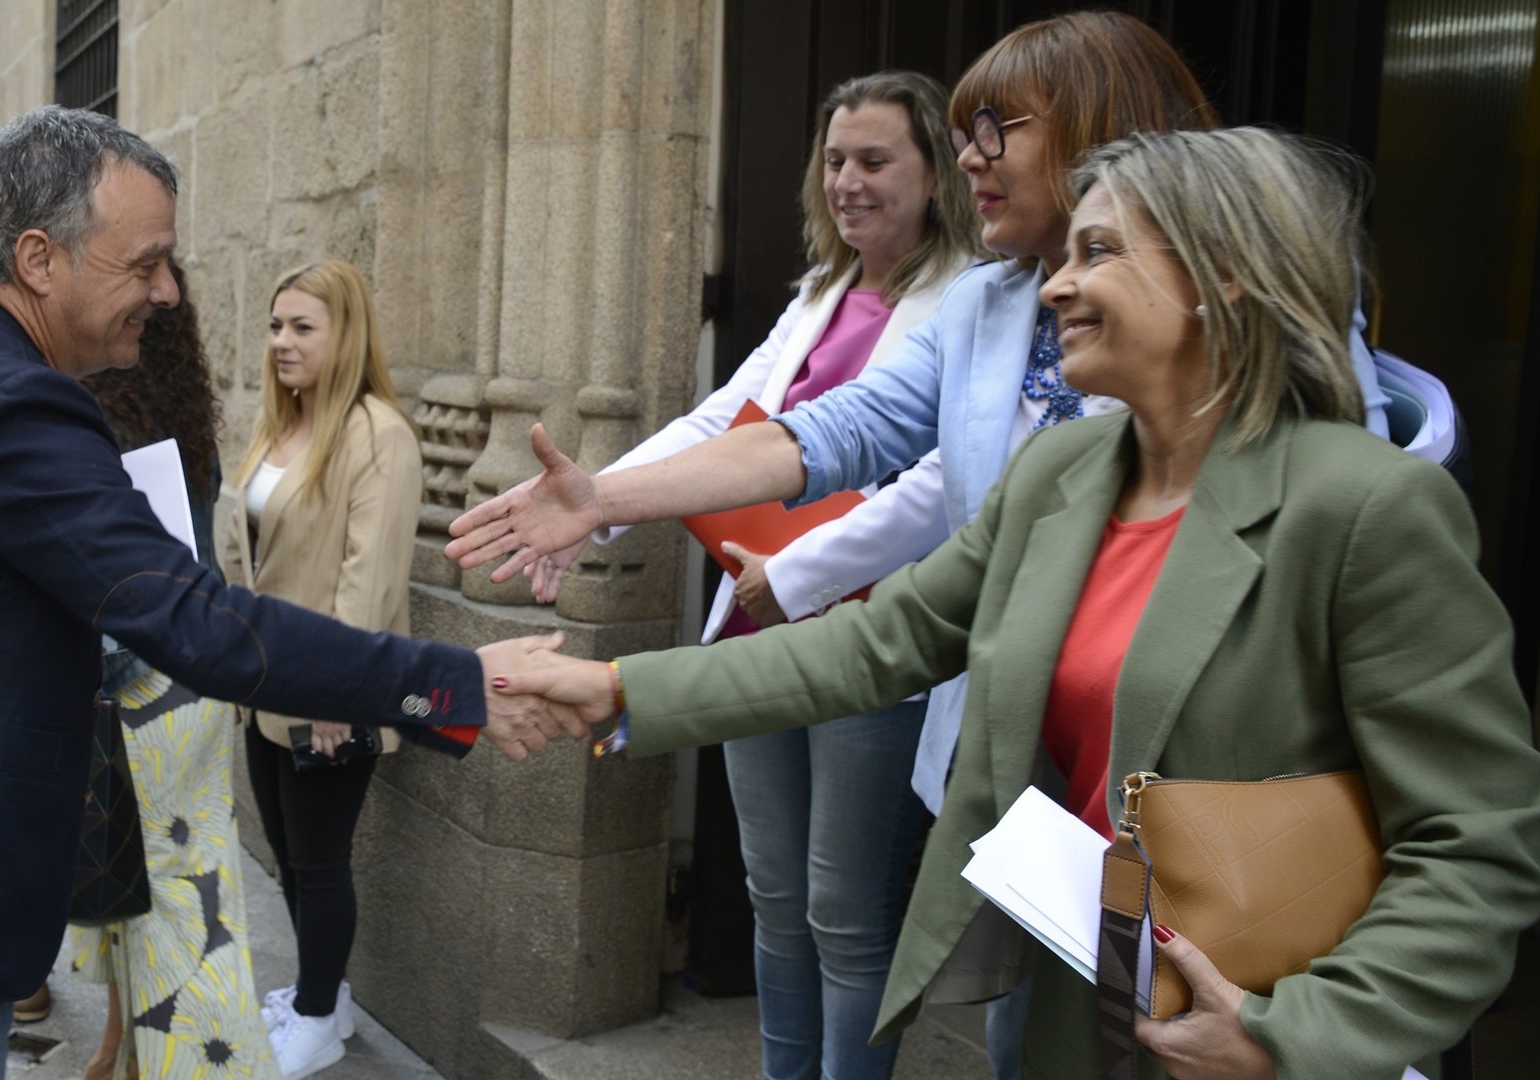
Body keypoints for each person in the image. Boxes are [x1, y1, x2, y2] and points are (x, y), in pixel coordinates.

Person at [490, 127, 1540, 1080]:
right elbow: (876, 644)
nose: (1053, 289)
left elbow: (1475, 843)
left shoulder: (1367, 508)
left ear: (1225, 270)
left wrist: (1299, 1034)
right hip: (1084, 986)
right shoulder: (1064, 473)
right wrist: (616, 687)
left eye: (1097, 253)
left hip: (1265, 1023)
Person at [0, 105, 582, 1080]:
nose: (168, 293)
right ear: (39, 259)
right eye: (145, 264)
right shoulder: (8, 408)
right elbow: (193, 621)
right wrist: (453, 681)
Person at [450, 13, 1242, 1073]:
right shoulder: (1000, 341)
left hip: (1194, 812)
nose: (970, 160)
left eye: (994, 127)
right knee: (1049, 1016)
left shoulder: (1337, 481)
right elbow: (838, 461)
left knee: (1151, 1010)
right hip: (1035, 763)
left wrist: (1318, 1034)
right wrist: (606, 515)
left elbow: (1459, 846)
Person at [535, 70, 978, 1080]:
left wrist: (803, 569)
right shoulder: (819, 294)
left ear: (935, 172)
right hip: (757, 624)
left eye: (875, 160)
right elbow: (718, 423)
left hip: (874, 638)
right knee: (773, 897)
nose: (848, 182)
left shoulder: (970, 299)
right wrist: (592, 502)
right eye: (834, 161)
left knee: (845, 910)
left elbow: (937, 482)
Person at [58, 261, 272, 1080]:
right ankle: (126, 1048)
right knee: (150, 882)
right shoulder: (187, 422)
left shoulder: (96, 420)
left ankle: (173, 1059)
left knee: (168, 894)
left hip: (141, 686)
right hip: (184, 683)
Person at [220, 260, 423, 1080]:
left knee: (319, 858)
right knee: (283, 847)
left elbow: (367, 578)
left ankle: (314, 1021)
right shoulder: (279, 424)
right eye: (275, 326)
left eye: (303, 327)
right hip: (264, 683)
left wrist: (338, 693)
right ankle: (324, 994)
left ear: (347, 335)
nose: (281, 343)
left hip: (332, 691)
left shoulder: (382, 436)